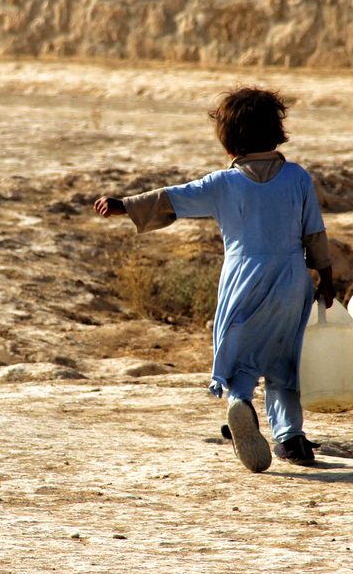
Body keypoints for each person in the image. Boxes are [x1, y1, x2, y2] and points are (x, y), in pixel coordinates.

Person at [93, 87, 334, 472]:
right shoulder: (297, 178)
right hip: (291, 279)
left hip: (243, 276)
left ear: (228, 141)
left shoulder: (223, 183)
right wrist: (327, 277)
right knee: (285, 359)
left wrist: (124, 205)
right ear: (278, 132)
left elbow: (173, 198)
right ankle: (291, 438)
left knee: (239, 352)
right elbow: (315, 235)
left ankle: (239, 402)